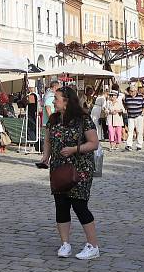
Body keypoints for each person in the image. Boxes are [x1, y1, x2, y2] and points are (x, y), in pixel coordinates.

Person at [39, 85, 101, 260]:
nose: (53, 101)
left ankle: (93, 245)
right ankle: (65, 244)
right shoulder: (53, 119)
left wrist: (74, 149)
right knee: (61, 204)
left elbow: (93, 143)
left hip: (80, 167)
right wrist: (45, 156)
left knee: (79, 205)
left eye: (56, 98)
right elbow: (48, 141)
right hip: (59, 167)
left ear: (66, 102)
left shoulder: (83, 119)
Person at [124, 84, 144, 151]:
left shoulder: (140, 97)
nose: (131, 92)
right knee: (130, 131)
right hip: (130, 116)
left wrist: (143, 112)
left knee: (139, 131)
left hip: (138, 116)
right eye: (130, 91)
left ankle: (139, 145)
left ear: (136, 91)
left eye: (133, 91)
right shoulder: (127, 97)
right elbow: (125, 105)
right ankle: (129, 145)